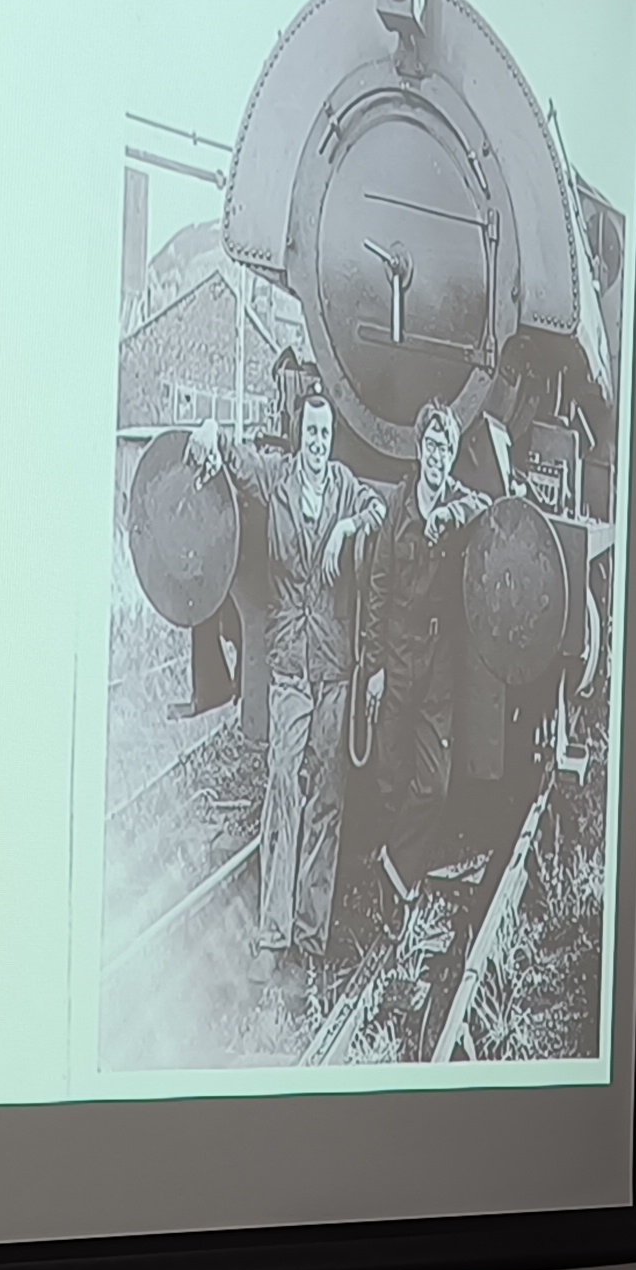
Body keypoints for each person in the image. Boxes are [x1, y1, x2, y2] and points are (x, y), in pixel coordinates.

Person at [191, 398, 378, 959]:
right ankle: (273, 930)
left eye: (326, 433)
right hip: (289, 664)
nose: (318, 442)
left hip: (333, 664)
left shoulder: (346, 487)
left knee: (328, 795)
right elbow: (240, 461)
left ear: (333, 436)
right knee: (282, 786)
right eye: (311, 433)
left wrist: (345, 528)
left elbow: (378, 511)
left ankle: (311, 929)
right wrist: (208, 430)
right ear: (300, 435)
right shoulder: (278, 480)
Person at [370, 401, 488, 901]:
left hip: (439, 656)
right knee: (388, 773)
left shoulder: (456, 498)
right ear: (419, 451)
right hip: (397, 650)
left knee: (433, 783)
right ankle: (386, 859)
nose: (438, 456)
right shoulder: (399, 503)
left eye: (446, 448)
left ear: (453, 454)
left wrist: (450, 511)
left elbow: (483, 503)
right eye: (432, 446)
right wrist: (375, 664)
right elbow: (378, 584)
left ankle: (395, 872)